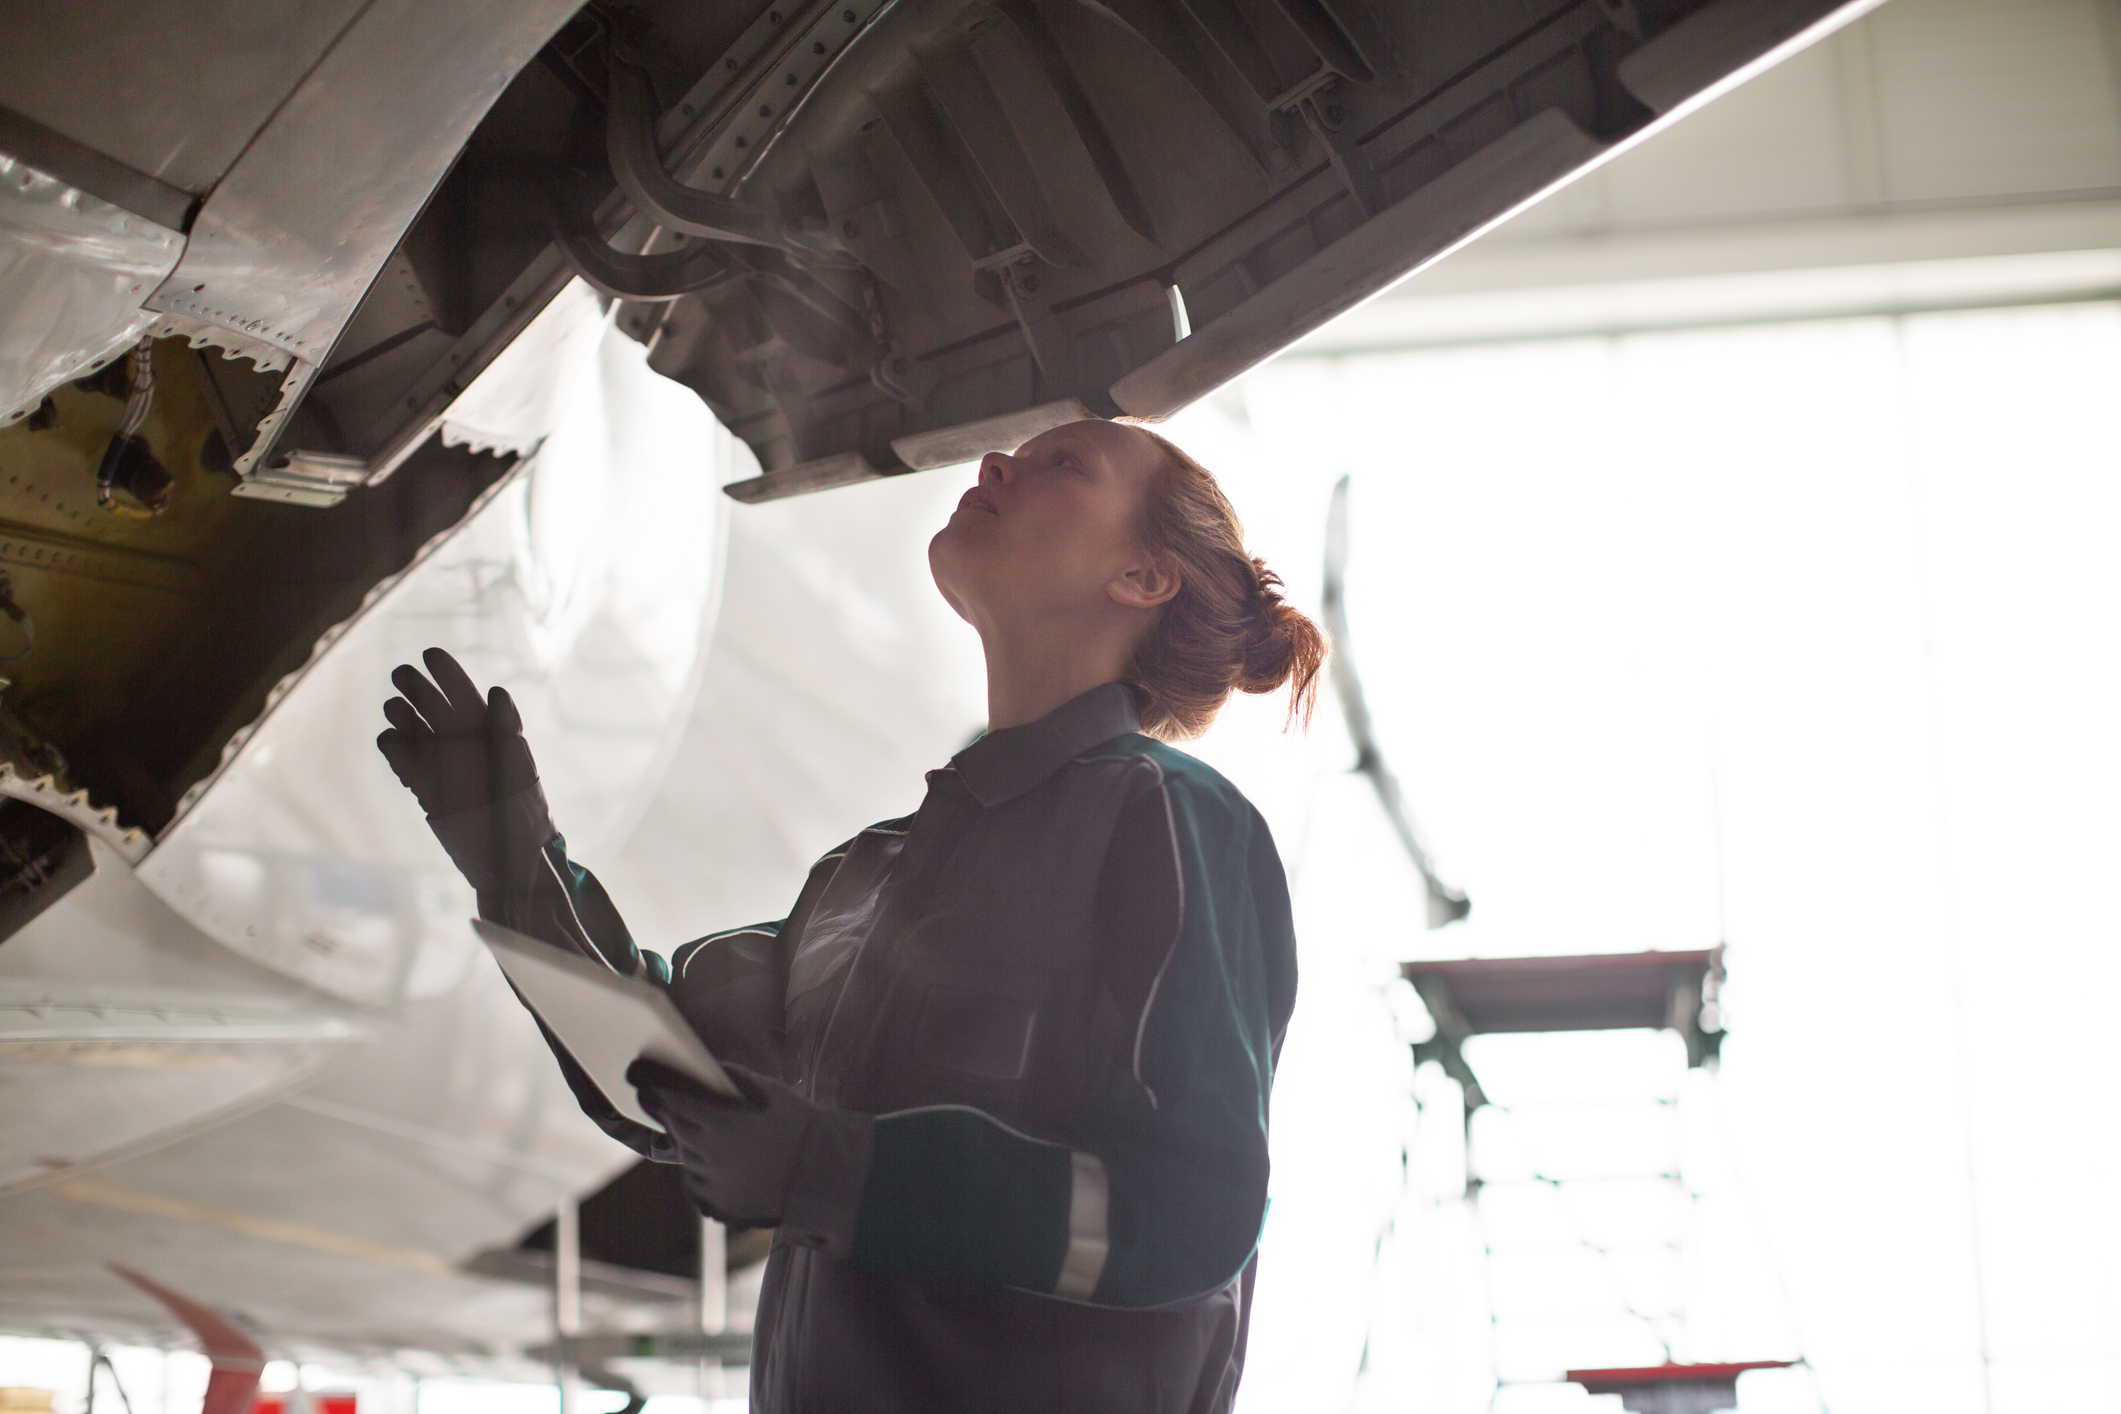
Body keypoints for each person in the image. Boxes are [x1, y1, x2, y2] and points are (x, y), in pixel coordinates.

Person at [376, 418, 1324, 1413]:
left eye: (1064, 464)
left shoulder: (1171, 820)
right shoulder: (869, 872)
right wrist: (511, 861)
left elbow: (1191, 1206)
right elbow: (662, 1083)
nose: (998, 462)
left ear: (1144, 577)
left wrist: (831, 1172)